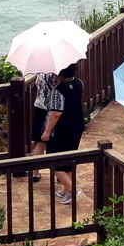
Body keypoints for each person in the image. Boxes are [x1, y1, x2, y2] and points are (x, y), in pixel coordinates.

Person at [42, 63, 84, 204]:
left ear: (60, 74)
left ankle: (71, 189)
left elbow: (56, 113)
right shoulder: (78, 83)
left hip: (62, 130)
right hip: (76, 126)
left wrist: (47, 131)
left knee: (54, 162)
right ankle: (66, 190)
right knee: (69, 160)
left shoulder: (58, 90)